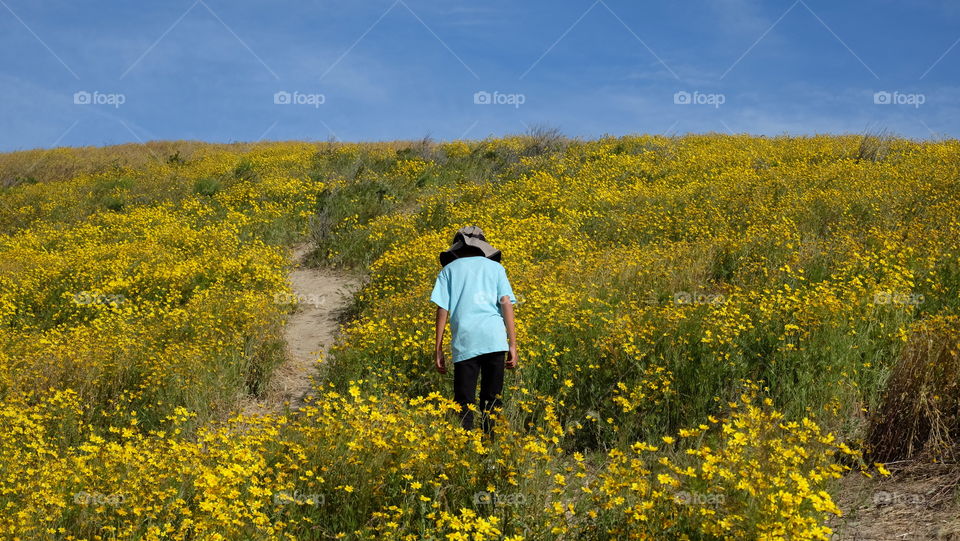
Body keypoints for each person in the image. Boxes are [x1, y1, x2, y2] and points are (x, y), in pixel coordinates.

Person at [430, 226, 517, 436]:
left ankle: (465, 449)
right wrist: (512, 343)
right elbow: (506, 303)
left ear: (457, 247)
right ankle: (491, 448)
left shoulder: (448, 270)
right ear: (482, 247)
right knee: (492, 398)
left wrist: (438, 348)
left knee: (463, 400)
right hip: (494, 339)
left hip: (465, 341)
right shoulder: (495, 269)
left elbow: (443, 308)